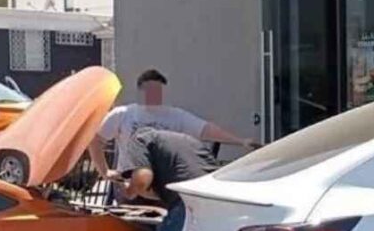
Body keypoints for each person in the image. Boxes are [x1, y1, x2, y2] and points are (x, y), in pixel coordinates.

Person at [89, 69, 256, 180]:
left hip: (165, 184)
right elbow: (96, 140)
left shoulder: (175, 115)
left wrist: (240, 141)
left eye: (158, 90)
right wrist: (104, 172)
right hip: (130, 181)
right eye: (150, 89)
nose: (154, 94)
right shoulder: (124, 114)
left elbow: (205, 129)